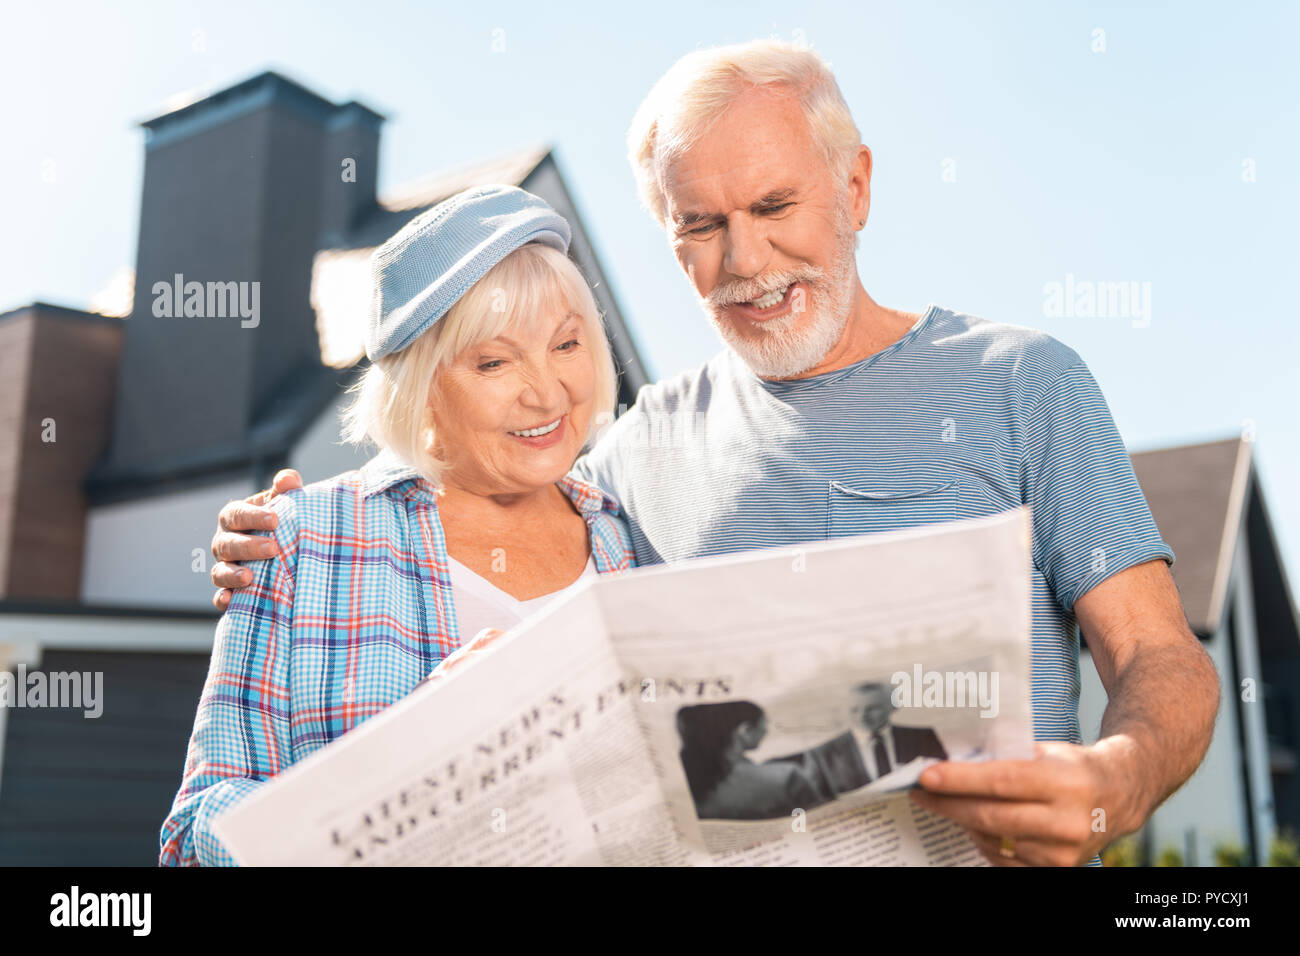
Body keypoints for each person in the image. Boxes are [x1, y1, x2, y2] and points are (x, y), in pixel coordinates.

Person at [209, 40, 1219, 866]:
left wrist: (1116, 777)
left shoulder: (1022, 382)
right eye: (700, 226)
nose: (744, 262)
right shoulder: (625, 458)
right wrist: (279, 540)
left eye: (774, 207)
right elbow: (478, 498)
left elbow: (1159, 655)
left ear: (855, 188)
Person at [159, 185, 635, 866]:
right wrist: (406, 765)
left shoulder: (624, 534)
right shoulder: (297, 541)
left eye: (566, 344)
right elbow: (200, 826)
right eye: (495, 362)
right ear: (421, 386)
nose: (549, 391)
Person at [677, 701, 821, 820]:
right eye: (765, 723)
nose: (766, 730)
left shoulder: (687, 782)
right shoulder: (787, 777)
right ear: (745, 730)